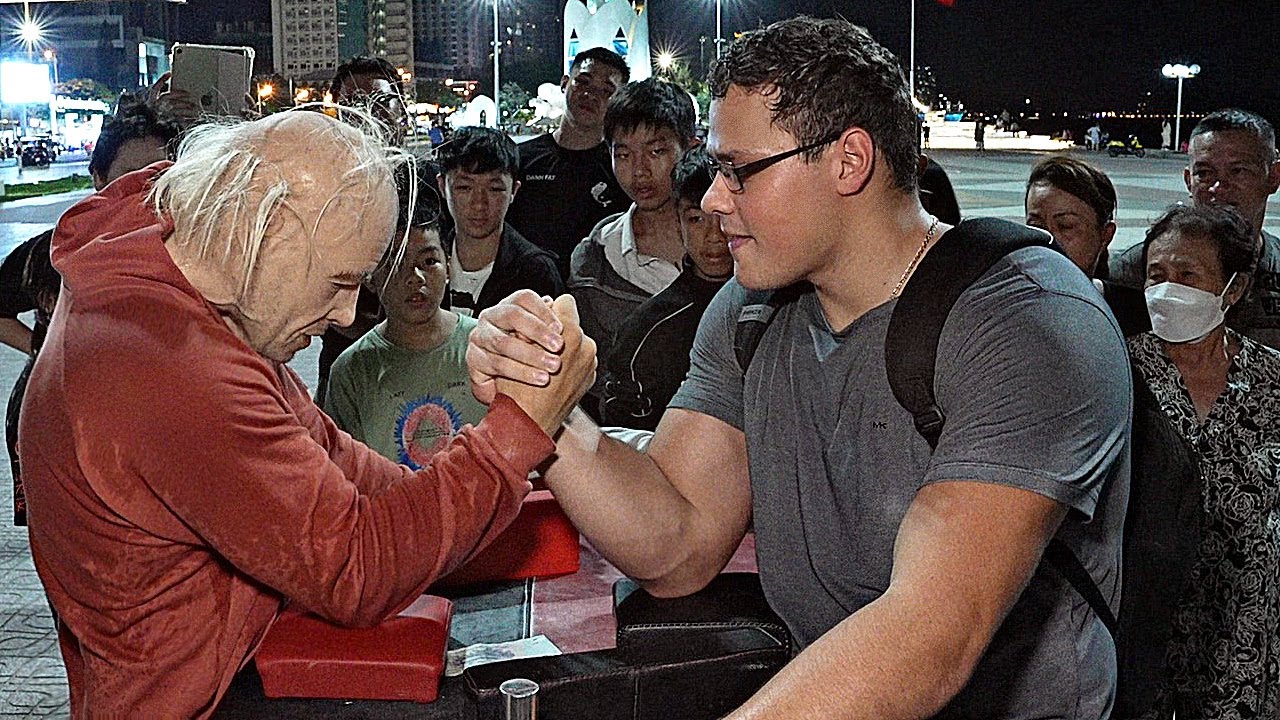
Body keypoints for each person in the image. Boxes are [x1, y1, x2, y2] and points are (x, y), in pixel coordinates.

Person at [470, 16, 1130, 718]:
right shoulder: (752, 310)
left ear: (849, 161)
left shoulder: (1026, 320)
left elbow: (931, 633)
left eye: (740, 171)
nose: (715, 199)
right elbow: (677, 542)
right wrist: (546, 406)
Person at [19, 110, 596, 718]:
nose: (348, 314)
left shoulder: (188, 276)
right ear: (270, 234)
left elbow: (342, 465)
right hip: (194, 701)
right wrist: (516, 432)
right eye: (340, 282)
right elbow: (356, 568)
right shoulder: (168, 365)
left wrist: (494, 490)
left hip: (227, 664)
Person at [1127, 203, 1280, 718]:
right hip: (1145, 615)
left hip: (1244, 620)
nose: (1168, 289)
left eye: (1188, 275)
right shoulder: (1116, 367)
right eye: (1157, 274)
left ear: (1232, 289)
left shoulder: (1272, 380)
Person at [3, 102, 182, 526]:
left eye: (158, 175)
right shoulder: (51, 253)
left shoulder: (188, 254)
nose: (144, 189)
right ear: (98, 178)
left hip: (147, 437)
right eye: (130, 175)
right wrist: (40, 347)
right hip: (59, 432)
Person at [326, 174, 489, 466]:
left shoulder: (487, 349)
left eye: (428, 262)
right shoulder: (351, 371)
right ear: (371, 278)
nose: (415, 278)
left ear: (449, 267)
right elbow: (342, 474)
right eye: (395, 265)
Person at [568, 77, 698, 419]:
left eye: (656, 152)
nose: (639, 171)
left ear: (690, 147)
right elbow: (594, 382)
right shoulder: (594, 262)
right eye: (623, 154)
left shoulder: (730, 244)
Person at [1110, 109, 1280, 348]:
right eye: (1204, 173)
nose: (1218, 188)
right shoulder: (1132, 272)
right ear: (1188, 180)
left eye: (1238, 171)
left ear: (1273, 177)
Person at [599, 147, 732, 430]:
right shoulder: (648, 330)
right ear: (678, 221)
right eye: (696, 219)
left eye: (724, 216)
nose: (714, 236)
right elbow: (624, 438)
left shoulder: (787, 304)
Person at [314, 56, 413, 405]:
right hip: (346, 359)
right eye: (353, 105)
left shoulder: (433, 186)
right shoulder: (319, 190)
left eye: (380, 103)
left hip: (420, 360)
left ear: (402, 110)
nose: (368, 115)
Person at [506, 47, 631, 279]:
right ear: (565, 83)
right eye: (583, 82)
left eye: (606, 91)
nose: (590, 95)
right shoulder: (520, 158)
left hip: (594, 297)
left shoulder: (622, 167)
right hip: (527, 291)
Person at [435, 126, 563, 317]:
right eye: (464, 187)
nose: (479, 204)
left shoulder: (536, 273)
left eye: (495, 189)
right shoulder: (422, 263)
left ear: (514, 191)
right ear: (442, 187)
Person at [1024, 155, 1149, 337]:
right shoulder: (1009, 309)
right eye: (1036, 226)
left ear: (1105, 234)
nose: (1049, 238)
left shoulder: (1140, 318)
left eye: (1066, 226)